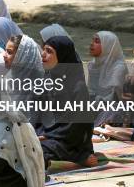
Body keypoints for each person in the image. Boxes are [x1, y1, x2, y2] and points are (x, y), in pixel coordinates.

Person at [38, 36, 97, 167]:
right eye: (43, 50)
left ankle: (78, 158)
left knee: (34, 152)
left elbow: (76, 127)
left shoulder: (77, 86)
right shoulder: (47, 79)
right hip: (48, 136)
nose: (43, 54)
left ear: (62, 56)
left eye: (49, 51)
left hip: (70, 142)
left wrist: (46, 136)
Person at [87, 31, 128, 102]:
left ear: (108, 45)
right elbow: (91, 91)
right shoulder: (93, 64)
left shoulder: (118, 68)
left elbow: (115, 97)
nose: (91, 44)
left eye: (97, 41)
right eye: (92, 40)